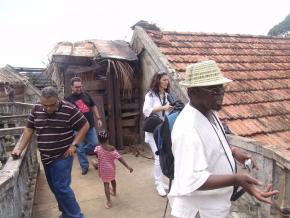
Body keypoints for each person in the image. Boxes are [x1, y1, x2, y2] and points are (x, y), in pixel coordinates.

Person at [167, 60, 279, 218]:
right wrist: (237, 179)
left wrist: (233, 152)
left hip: (216, 207)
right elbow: (191, 180)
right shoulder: (187, 129)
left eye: (221, 88)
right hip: (199, 211)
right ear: (192, 92)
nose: (221, 94)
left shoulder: (210, 111)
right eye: (214, 90)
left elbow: (212, 144)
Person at [12, 86, 89, 218]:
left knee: (61, 188)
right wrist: (19, 148)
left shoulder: (69, 109)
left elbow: (85, 125)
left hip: (63, 156)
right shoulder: (36, 109)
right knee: (54, 188)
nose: (48, 108)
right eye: (45, 105)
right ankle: (66, 212)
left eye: (51, 105)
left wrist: (74, 144)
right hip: (45, 157)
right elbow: (29, 129)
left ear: (58, 100)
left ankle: (76, 215)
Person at [142, 71, 174, 196]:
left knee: (165, 156)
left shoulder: (167, 95)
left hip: (163, 130)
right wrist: (163, 108)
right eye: (164, 80)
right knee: (158, 157)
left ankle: (160, 181)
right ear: (158, 81)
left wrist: (170, 109)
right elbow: (146, 111)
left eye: (167, 80)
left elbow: (167, 113)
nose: (167, 82)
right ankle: (158, 184)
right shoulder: (150, 95)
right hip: (153, 132)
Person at [66, 77, 103, 175]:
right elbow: (67, 114)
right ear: (71, 87)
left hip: (90, 126)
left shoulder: (86, 95)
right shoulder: (68, 99)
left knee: (95, 144)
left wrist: (98, 118)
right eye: (76, 87)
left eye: (80, 86)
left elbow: (93, 106)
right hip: (77, 129)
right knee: (79, 148)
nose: (79, 88)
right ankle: (84, 167)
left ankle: (80, 150)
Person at [94, 130, 133, 209]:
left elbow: (98, 156)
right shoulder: (112, 149)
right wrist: (128, 166)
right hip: (111, 169)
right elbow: (120, 158)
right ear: (107, 138)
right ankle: (114, 192)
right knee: (113, 179)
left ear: (98, 139)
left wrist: (95, 163)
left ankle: (109, 202)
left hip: (103, 169)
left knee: (106, 185)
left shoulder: (97, 148)